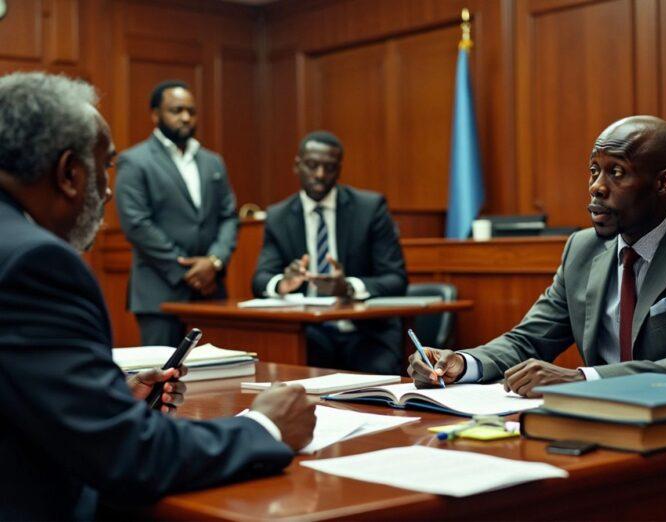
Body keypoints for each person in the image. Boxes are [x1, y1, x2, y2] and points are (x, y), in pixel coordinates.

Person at [0, 72, 315, 521]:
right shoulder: (35, 264)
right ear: (70, 173)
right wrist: (263, 426)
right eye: (104, 167)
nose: (108, 190)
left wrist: (103, 401)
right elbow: (129, 457)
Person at [409, 115, 666, 396]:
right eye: (594, 170)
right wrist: (462, 364)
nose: (596, 187)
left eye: (617, 172)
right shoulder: (583, 249)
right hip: (599, 419)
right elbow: (529, 340)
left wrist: (582, 378)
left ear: (663, 183)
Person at [252, 130, 408, 374]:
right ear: (297, 165)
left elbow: (396, 279)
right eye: (312, 166)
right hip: (309, 335)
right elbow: (260, 280)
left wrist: (347, 288)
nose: (320, 175)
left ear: (340, 169)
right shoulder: (279, 216)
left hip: (366, 334)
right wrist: (284, 283)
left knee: (377, 386)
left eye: (329, 168)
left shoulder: (369, 208)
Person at [115, 80, 238, 346]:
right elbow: (136, 224)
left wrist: (213, 262)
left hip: (211, 292)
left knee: (217, 378)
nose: (185, 117)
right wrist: (188, 272)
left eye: (191, 111)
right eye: (176, 110)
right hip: (160, 293)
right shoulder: (135, 161)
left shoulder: (212, 161)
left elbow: (229, 215)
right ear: (155, 114)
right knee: (162, 380)